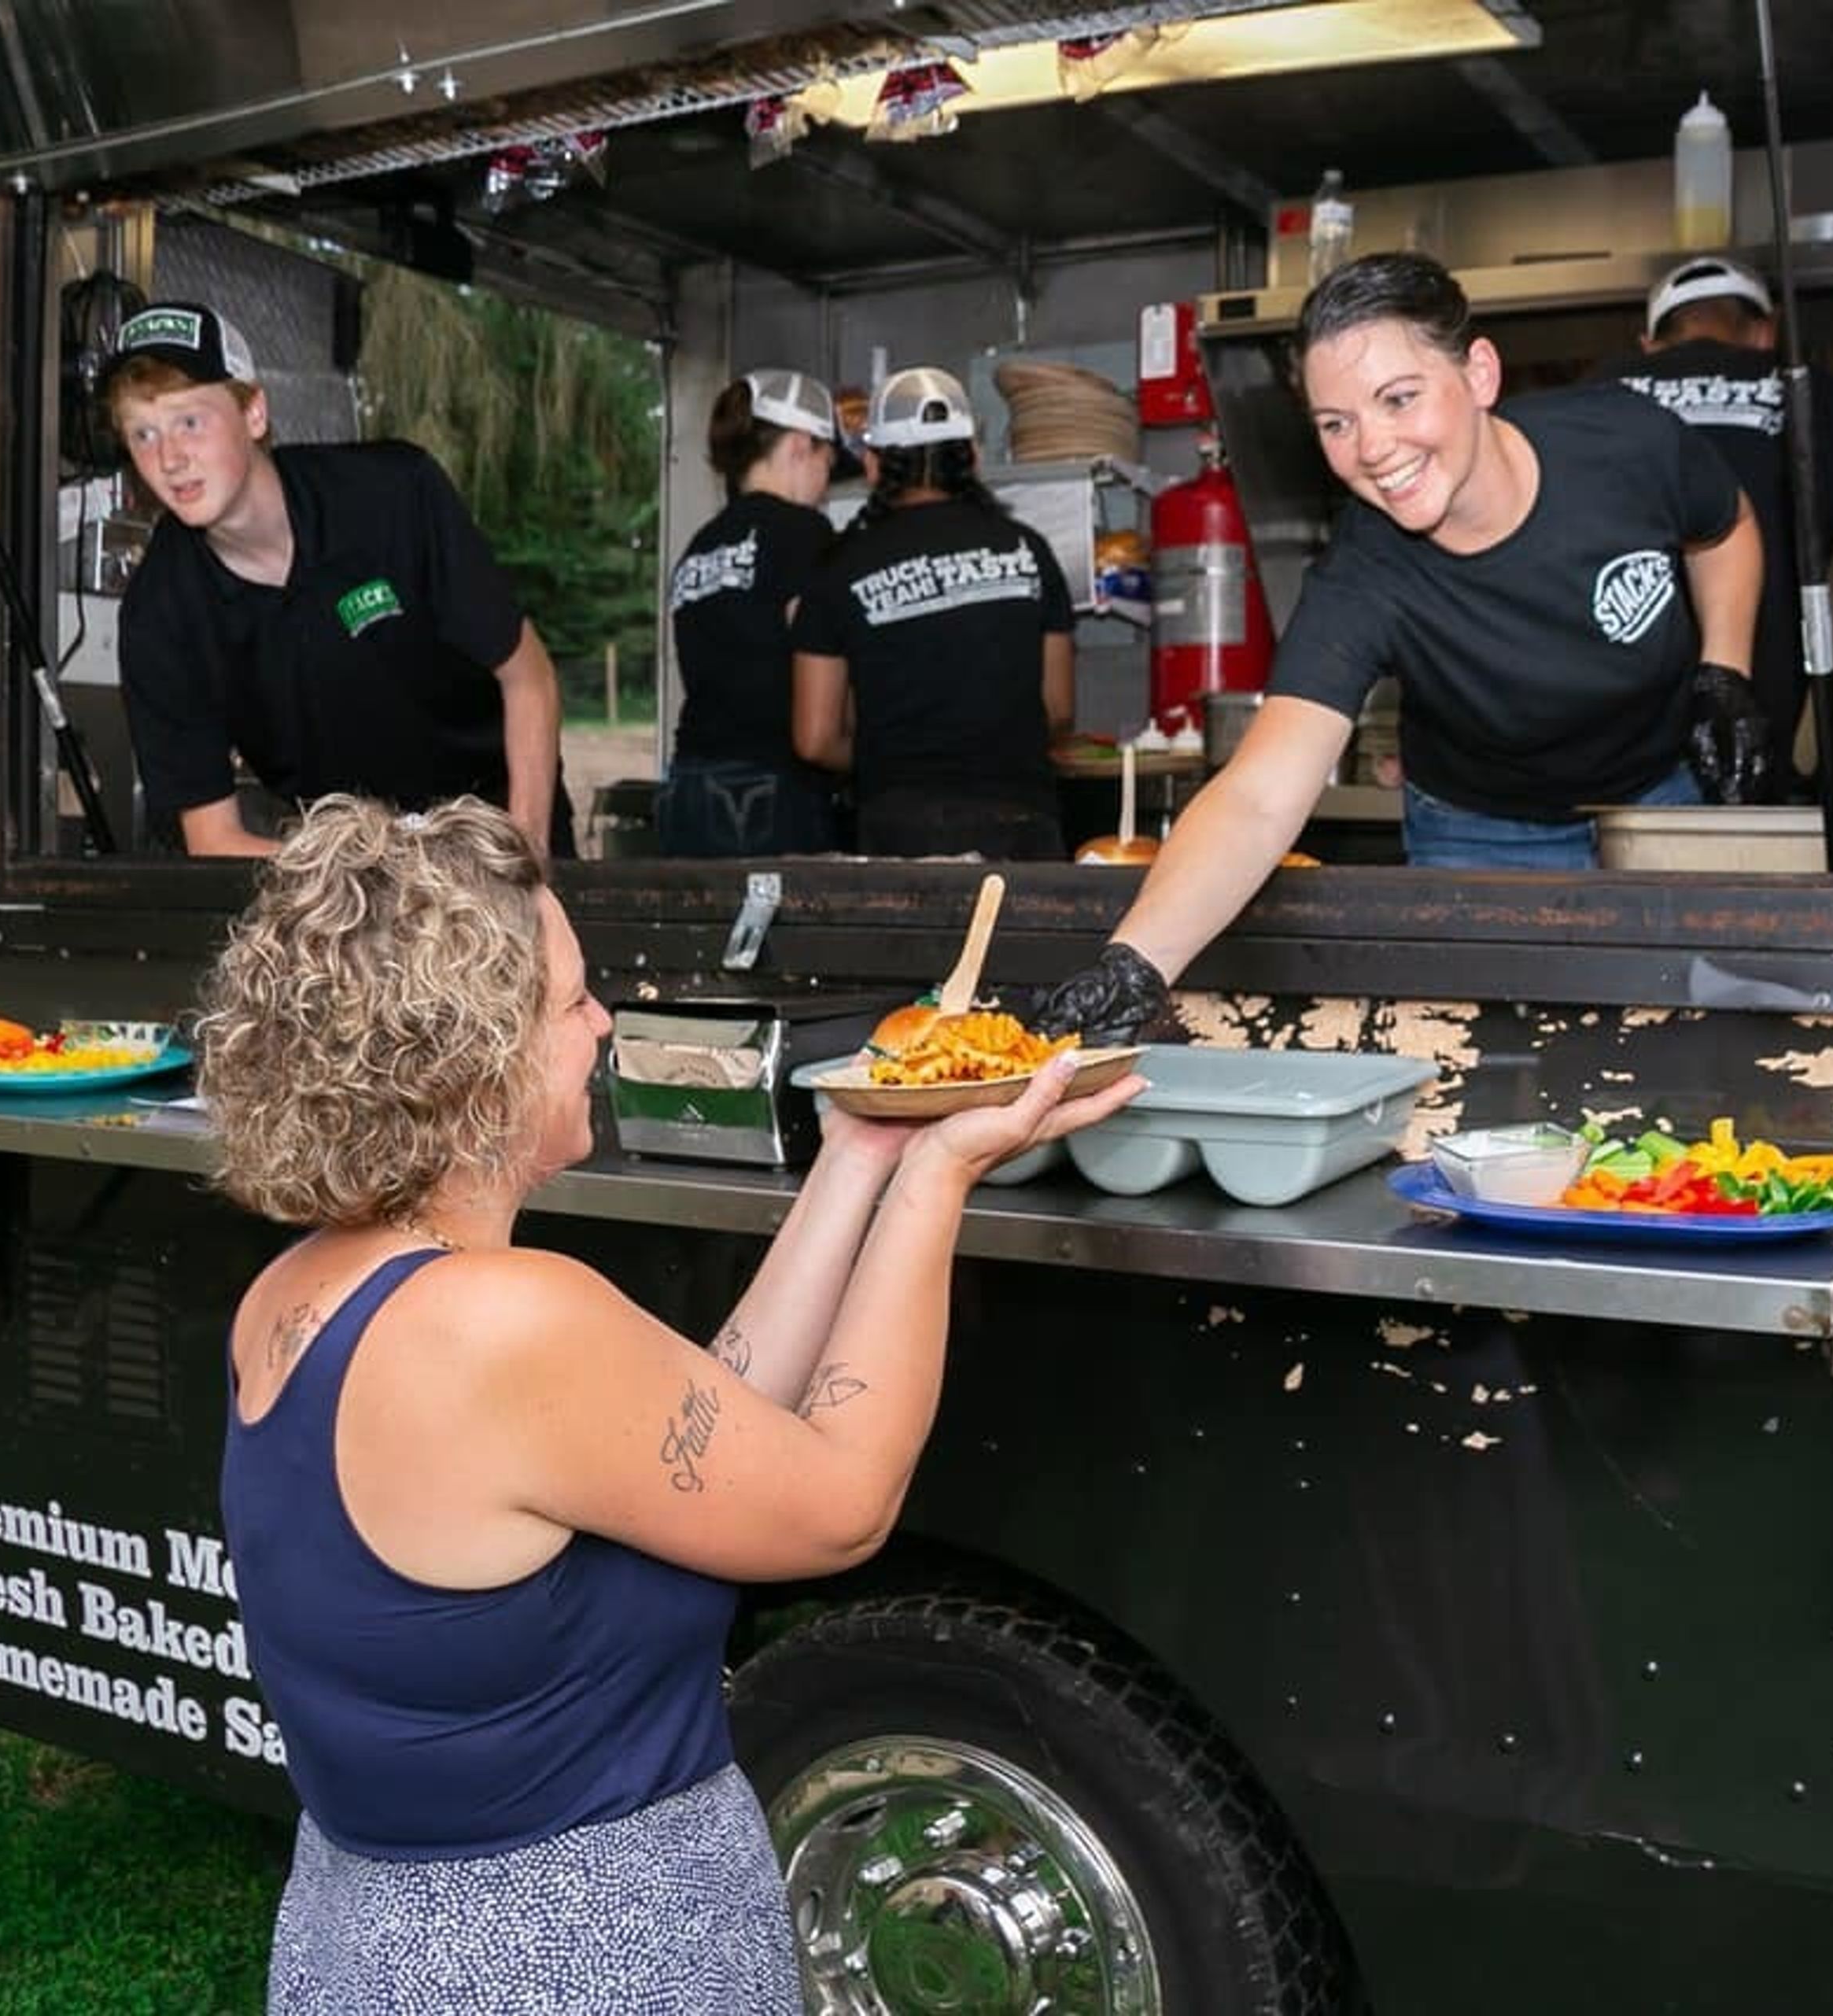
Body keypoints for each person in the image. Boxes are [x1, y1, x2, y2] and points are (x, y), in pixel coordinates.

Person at [198, 795, 1141, 2012]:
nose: (601, 1024)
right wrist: (938, 1180)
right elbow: (843, 1503)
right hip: (572, 1955)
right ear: (477, 1058)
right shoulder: (504, 1320)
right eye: (573, 1002)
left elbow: (702, 1432)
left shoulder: (299, 1289)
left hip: (370, 1945)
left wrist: (857, 1155)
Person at [1031, 252, 1762, 1039]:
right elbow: (1259, 795)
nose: (1372, 447)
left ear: (1479, 375)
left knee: (1679, 1041)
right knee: (1491, 1057)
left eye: (1399, 398)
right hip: (1480, 830)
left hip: (1655, 797)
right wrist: (1135, 965)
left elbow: (1724, 528)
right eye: (1336, 424)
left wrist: (1725, 671)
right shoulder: (1363, 575)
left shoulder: (1624, 440)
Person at [108, 301, 575, 860]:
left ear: (254, 413)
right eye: (143, 433)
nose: (170, 458)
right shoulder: (159, 614)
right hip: (347, 858)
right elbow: (213, 839)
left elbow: (529, 678)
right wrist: (364, 875)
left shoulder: (394, 494)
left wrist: (526, 858)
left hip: (493, 820)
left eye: (190, 422)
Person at [789, 367, 1076, 859]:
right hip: (1020, 823)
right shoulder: (1029, 551)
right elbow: (1059, 708)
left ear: (873, 465)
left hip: (899, 831)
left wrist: (892, 757)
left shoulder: (838, 567)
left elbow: (815, 740)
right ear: (973, 457)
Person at [1598, 255, 1833, 801]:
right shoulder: (1822, 396)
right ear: (1766, 332)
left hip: (1621, 732)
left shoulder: (1602, 393)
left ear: (1649, 344)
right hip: (1774, 723)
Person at [658, 370, 845, 856]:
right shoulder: (803, 533)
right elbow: (821, 651)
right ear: (801, 445)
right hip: (769, 792)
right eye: (827, 462)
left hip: (688, 785)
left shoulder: (701, 546)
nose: (825, 487)